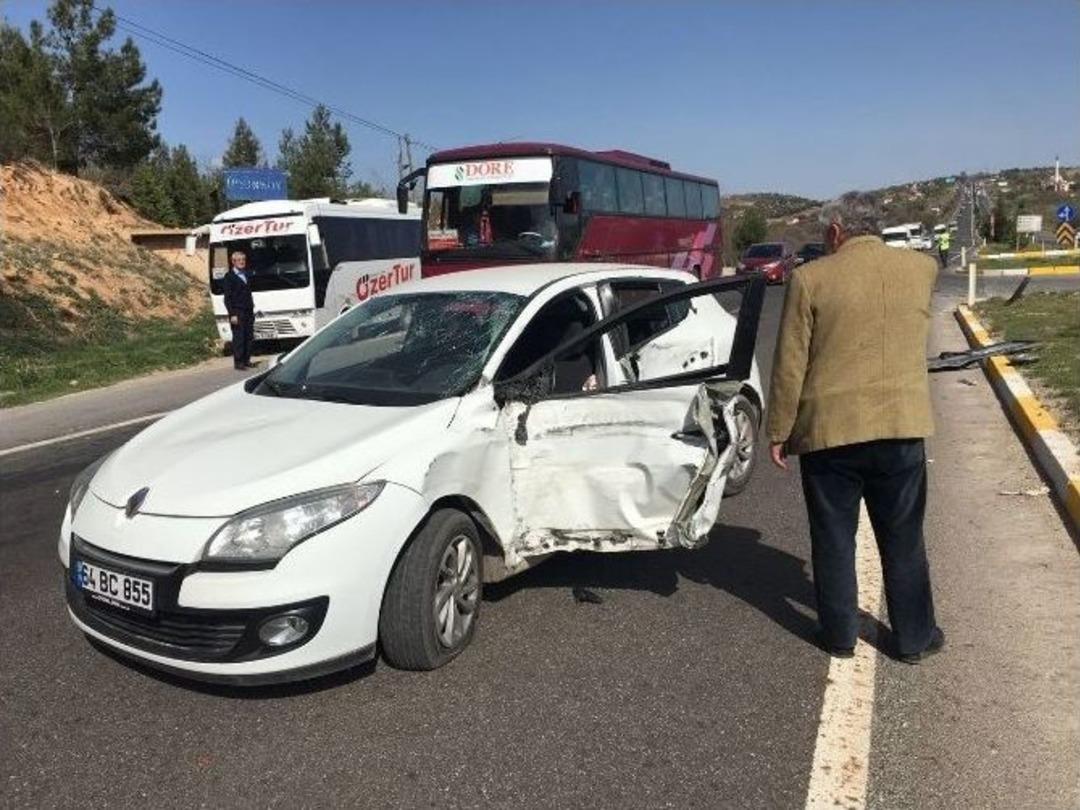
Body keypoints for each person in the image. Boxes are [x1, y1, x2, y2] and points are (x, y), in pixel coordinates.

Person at [765, 192, 944, 663]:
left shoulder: (809, 279)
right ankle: (913, 639)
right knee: (904, 538)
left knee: (833, 537)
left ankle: (840, 636)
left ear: (836, 232)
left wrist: (779, 430)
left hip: (831, 435)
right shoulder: (920, 269)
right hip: (900, 428)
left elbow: (789, 363)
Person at [223, 250, 257, 371]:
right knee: (239, 338)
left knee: (249, 336)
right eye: (239, 260)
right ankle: (238, 362)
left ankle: (246, 360)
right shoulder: (229, 277)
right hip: (237, 312)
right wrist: (232, 314)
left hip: (248, 311)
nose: (242, 262)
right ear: (233, 262)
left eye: (243, 260)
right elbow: (227, 298)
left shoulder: (246, 274)